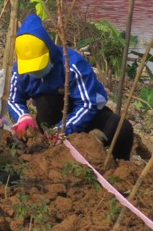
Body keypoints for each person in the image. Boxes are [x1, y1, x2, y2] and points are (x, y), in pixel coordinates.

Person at [9, 14, 134, 159]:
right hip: (51, 116)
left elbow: (87, 104)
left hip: (87, 116)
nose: (35, 72)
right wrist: (22, 117)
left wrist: (64, 129)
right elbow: (14, 100)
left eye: (38, 66)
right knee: (45, 102)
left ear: (49, 51)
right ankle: (49, 153)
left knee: (121, 128)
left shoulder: (72, 64)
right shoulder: (20, 71)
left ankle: (118, 167)